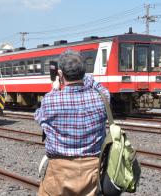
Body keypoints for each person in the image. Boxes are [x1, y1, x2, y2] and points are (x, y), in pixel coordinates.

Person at [35, 50, 110, 196]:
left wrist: (54, 89)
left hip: (59, 173)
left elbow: (38, 116)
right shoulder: (102, 98)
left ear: (60, 74)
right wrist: (85, 76)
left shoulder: (50, 100)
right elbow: (101, 88)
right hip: (92, 173)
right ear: (83, 72)